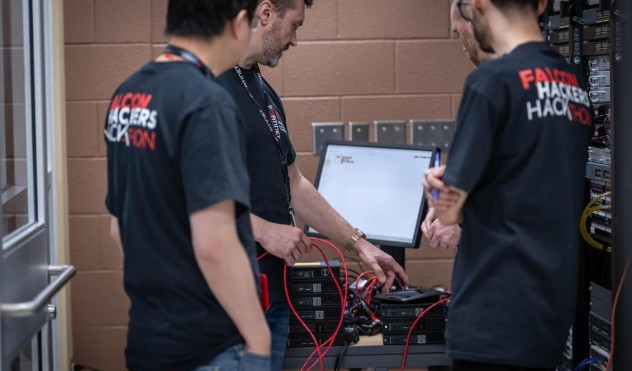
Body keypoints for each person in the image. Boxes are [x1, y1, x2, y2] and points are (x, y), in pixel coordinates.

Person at [216, 0, 409, 368]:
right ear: (267, 13)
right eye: (295, 26)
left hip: (271, 298)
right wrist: (263, 230)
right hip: (225, 307)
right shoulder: (205, 88)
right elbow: (182, 196)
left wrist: (360, 246)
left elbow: (295, 184)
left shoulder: (263, 91)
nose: (295, 41)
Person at [423, 0, 592, 369]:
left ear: (479, 5)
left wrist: (434, 185)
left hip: (493, 319)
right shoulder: (574, 84)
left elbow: (449, 208)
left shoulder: (492, 81)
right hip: (550, 314)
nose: (457, 29)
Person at [104, 1, 272, 369]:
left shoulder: (126, 94)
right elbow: (214, 244)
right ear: (238, 23)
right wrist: (259, 340)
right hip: (208, 347)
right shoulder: (207, 101)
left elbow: (119, 227)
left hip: (149, 336)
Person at [420, 0, 497, 250]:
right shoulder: (555, 78)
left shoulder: (489, 86)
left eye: (458, 31)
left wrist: (459, 225)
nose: (462, 45)